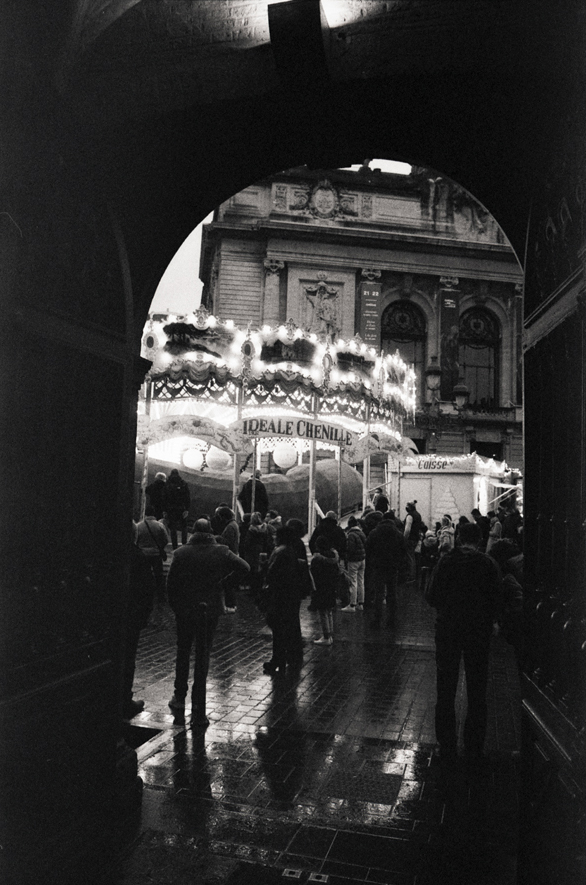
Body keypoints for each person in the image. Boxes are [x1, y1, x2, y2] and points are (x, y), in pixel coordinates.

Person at [425, 521, 502, 764]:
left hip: (448, 630)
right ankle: (474, 744)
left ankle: (446, 743)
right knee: (477, 689)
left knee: (446, 687)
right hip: (478, 632)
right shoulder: (488, 564)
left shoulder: (446, 561)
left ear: (458, 538)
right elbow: (497, 598)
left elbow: (431, 596)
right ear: (479, 540)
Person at [166, 518, 250, 724]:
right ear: (211, 531)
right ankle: (198, 699)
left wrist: (176, 606)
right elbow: (245, 567)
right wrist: (224, 583)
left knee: (183, 651)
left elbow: (171, 584)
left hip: (186, 609)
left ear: (193, 531)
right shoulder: (221, 551)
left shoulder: (181, 553)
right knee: (203, 653)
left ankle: (179, 695)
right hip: (210, 608)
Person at [263, 524, 306, 674]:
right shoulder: (291, 551)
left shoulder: (279, 552)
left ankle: (278, 659)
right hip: (292, 595)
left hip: (280, 596)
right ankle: (292, 655)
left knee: (278, 628)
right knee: (290, 625)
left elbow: (272, 574)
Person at [123, 527, 156, 719]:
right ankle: (125, 699)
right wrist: (144, 614)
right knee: (128, 658)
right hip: (132, 615)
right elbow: (147, 588)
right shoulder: (138, 557)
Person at [365, 511, 408, 627]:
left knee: (379, 594)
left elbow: (367, 548)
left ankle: (377, 619)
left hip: (378, 567)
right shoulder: (398, 534)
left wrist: (373, 560)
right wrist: (398, 563)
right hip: (392, 567)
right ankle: (391, 620)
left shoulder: (375, 532)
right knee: (392, 593)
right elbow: (404, 550)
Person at [135, 505, 169, 605]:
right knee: (158, 575)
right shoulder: (159, 526)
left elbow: (135, 540)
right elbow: (165, 540)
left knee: (142, 575)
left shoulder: (139, 526)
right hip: (156, 554)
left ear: (145, 513)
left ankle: (142, 594)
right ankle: (160, 596)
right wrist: (160, 547)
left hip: (143, 554)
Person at [310, 536, 339, 644]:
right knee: (329, 611)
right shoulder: (334, 558)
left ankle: (326, 636)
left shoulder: (317, 559)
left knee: (322, 612)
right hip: (331, 587)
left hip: (321, 587)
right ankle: (330, 635)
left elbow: (314, 574)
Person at [243, 511, 273, 601]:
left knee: (252, 571)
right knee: (261, 571)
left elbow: (247, 542)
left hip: (253, 552)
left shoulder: (251, 529)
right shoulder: (266, 528)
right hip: (263, 551)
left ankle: (253, 590)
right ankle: (260, 589)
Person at [215, 506, 240, 612]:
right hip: (233, 554)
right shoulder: (234, 524)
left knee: (228, 583)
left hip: (229, 556)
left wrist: (217, 538)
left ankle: (230, 605)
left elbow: (227, 542)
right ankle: (231, 604)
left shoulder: (230, 527)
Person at [341, 515, 366, 611]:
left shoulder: (351, 535)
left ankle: (352, 605)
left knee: (353, 582)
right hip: (362, 560)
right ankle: (361, 603)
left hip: (354, 561)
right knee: (361, 582)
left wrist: (346, 557)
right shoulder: (361, 533)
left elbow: (350, 549)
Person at [163, 468, 191, 549]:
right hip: (181, 508)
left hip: (170, 509)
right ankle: (184, 544)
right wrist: (187, 509)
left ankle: (175, 546)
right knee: (184, 527)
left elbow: (164, 498)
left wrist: (165, 510)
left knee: (173, 528)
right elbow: (187, 497)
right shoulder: (183, 483)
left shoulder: (167, 484)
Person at [403, 501, 423, 582]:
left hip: (410, 539)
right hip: (416, 538)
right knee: (413, 557)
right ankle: (414, 575)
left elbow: (407, 529)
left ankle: (411, 576)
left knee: (409, 557)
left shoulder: (410, 516)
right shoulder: (418, 515)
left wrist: (404, 538)